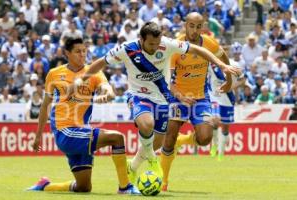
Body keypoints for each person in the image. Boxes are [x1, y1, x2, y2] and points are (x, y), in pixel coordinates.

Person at [70, 22, 241, 184]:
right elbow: (99, 63)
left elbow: (197, 49)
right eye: (151, 44)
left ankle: (133, 166)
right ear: (141, 40)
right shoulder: (126, 49)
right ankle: (152, 160)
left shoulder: (166, 44)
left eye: (157, 43)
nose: (155, 47)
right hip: (138, 96)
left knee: (156, 143)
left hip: (162, 100)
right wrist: (79, 81)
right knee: (147, 124)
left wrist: (220, 64)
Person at [28, 37, 140, 194]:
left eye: (84, 51)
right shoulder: (54, 74)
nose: (82, 54)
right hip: (65, 132)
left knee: (83, 187)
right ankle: (125, 187)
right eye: (78, 51)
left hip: (82, 131)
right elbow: (45, 105)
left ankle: (45, 185)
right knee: (117, 138)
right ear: (67, 53)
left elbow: (108, 89)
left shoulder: (93, 72)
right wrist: (38, 136)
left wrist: (107, 95)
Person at [159, 12, 232, 191]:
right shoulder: (176, 46)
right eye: (191, 25)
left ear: (202, 27)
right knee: (169, 137)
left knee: (205, 138)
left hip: (201, 98)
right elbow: (167, 80)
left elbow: (223, 57)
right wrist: (181, 97)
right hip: (177, 97)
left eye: (198, 26)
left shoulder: (209, 43)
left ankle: (182, 141)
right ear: (186, 25)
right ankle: (164, 180)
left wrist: (228, 80)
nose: (194, 29)